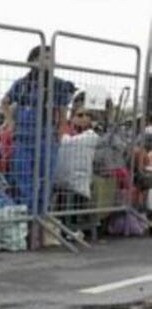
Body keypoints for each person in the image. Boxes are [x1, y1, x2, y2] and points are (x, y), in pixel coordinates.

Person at [2, 45, 76, 214]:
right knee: (23, 180)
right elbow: (4, 102)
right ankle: (26, 218)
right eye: (45, 57)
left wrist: (59, 133)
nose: (50, 61)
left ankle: (41, 218)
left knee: (45, 180)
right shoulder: (21, 84)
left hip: (46, 138)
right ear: (33, 60)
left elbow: (63, 113)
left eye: (52, 58)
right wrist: (10, 121)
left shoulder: (58, 85)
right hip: (23, 138)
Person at [54, 97, 98, 227]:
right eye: (80, 115)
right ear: (72, 116)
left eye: (87, 115)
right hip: (63, 179)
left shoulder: (90, 134)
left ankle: (72, 224)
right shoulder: (65, 131)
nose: (84, 118)